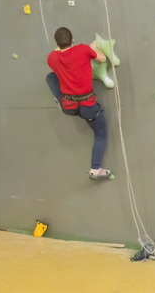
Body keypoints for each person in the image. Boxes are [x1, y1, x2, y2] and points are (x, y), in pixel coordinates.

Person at [46, 26, 112, 180]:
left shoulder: (52, 57)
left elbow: (59, 59)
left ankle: (59, 100)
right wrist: (92, 48)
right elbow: (102, 58)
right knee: (101, 134)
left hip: (69, 106)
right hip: (87, 107)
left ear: (57, 44)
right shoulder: (83, 50)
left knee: (50, 77)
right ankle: (95, 169)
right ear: (73, 40)